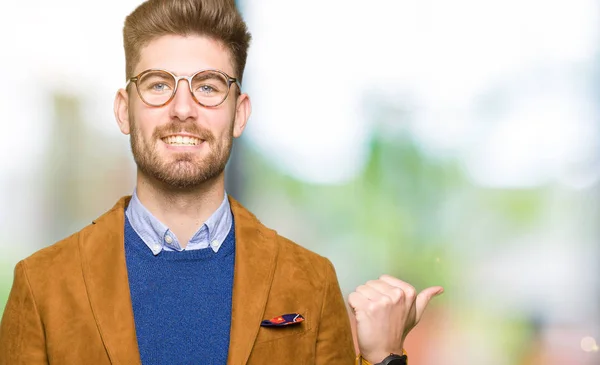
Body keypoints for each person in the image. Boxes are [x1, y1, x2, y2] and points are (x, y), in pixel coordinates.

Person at [0, 1, 443, 364]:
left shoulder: (310, 282)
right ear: (123, 109)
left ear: (240, 113)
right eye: (158, 85)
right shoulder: (41, 287)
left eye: (208, 87)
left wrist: (384, 357)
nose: (183, 109)